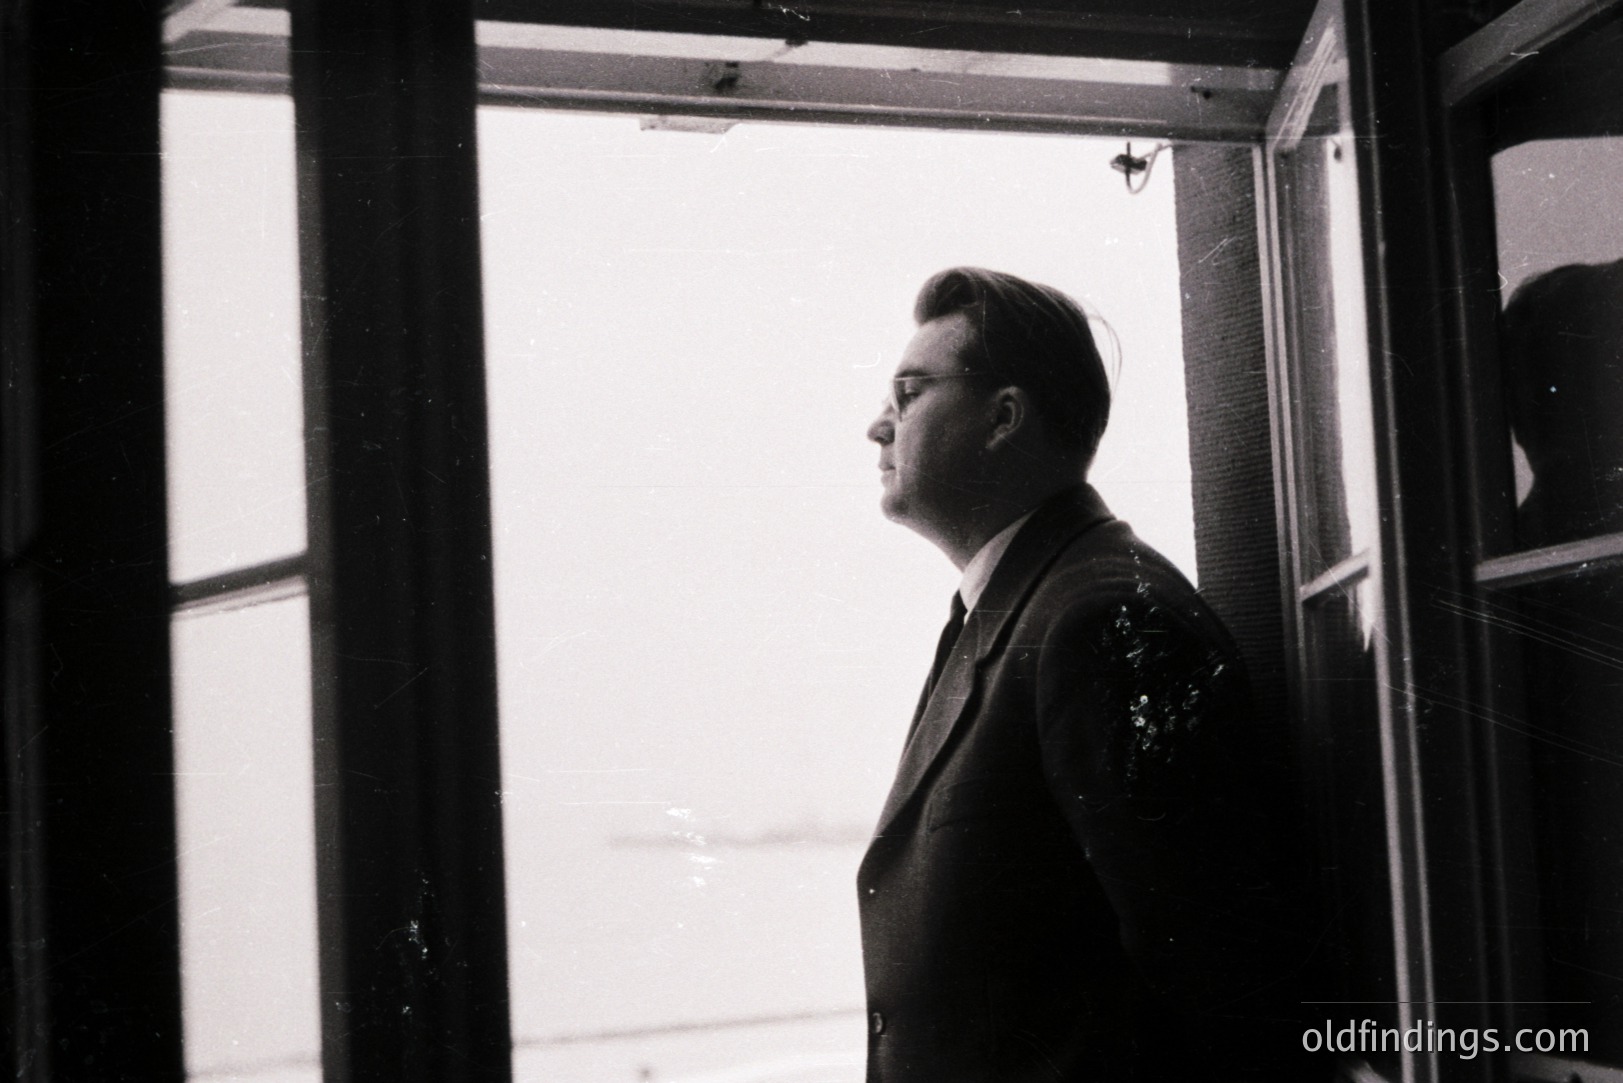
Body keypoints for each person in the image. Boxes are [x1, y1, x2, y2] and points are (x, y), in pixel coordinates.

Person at [857, 267, 1304, 1081]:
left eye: (908, 392)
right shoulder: (1028, 605)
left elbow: (1215, 980)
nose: (876, 427)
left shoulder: (1100, 619)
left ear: (1003, 417)